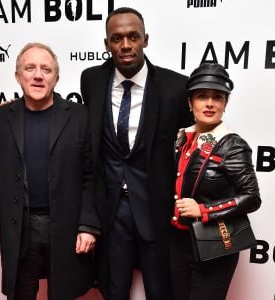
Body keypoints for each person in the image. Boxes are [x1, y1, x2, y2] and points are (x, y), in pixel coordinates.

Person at [80, 7, 194, 300]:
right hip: (112, 210)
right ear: (106, 44)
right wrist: (17, 110)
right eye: (116, 38)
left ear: (146, 39)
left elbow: (196, 136)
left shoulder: (175, 87)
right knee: (113, 290)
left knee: (160, 290)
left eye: (133, 36)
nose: (126, 45)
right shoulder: (91, 80)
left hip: (156, 209)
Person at [0, 42, 100, 300]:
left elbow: (91, 174)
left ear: (56, 77)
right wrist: (3, 211)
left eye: (46, 69)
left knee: (63, 293)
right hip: (20, 228)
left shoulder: (80, 116)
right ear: (17, 76)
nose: (37, 75)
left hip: (66, 226)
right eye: (29, 68)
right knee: (22, 293)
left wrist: (88, 225)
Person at [170, 62, 262, 300]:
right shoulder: (182, 138)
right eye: (202, 96)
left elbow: (251, 197)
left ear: (225, 103)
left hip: (214, 245)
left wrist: (202, 210)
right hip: (178, 243)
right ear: (190, 103)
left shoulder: (233, 145)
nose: (210, 103)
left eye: (217, 97)